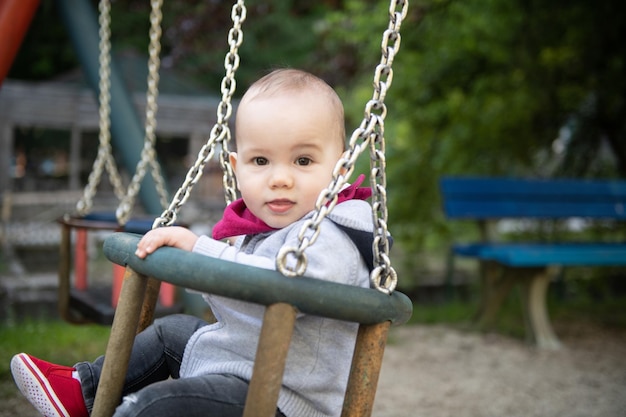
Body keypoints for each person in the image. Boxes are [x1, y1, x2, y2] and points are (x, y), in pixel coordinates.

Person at [10, 68, 376, 417]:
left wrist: (199, 249)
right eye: (261, 160)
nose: (280, 178)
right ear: (236, 166)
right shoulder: (268, 226)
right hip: (245, 364)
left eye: (303, 160)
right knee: (173, 332)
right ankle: (84, 390)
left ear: (341, 169)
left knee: (153, 407)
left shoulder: (336, 231)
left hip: (287, 399)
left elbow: (287, 289)